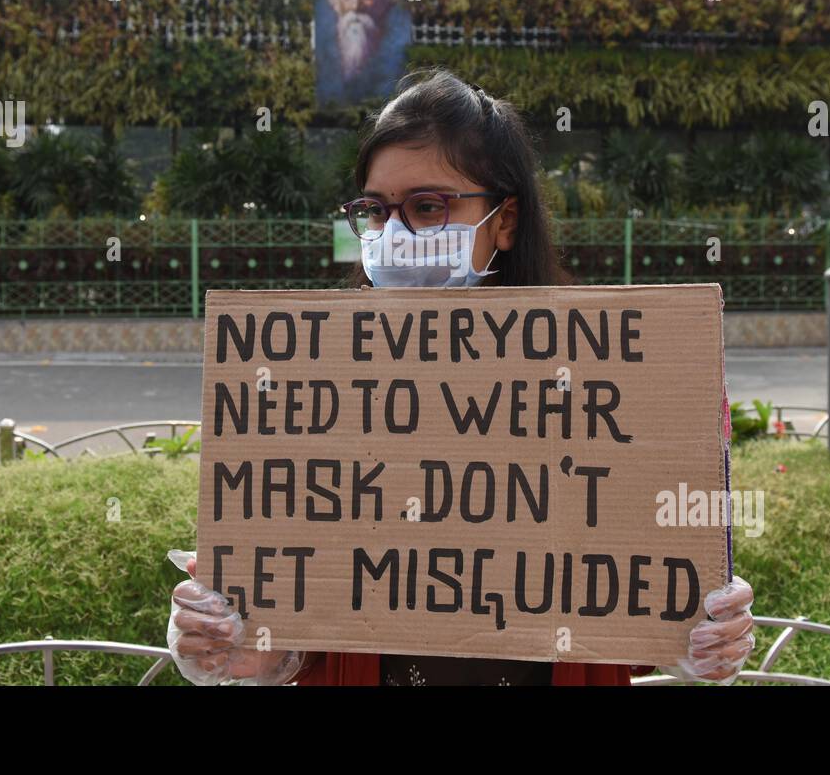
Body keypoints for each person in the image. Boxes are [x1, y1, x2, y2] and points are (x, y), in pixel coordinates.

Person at [167, 68, 755, 686]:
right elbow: (301, 613)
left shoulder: (605, 371)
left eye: (427, 207)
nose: (394, 235)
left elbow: (621, 602)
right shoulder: (308, 380)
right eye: (374, 211)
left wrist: (697, 629)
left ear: (504, 221)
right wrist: (238, 645)